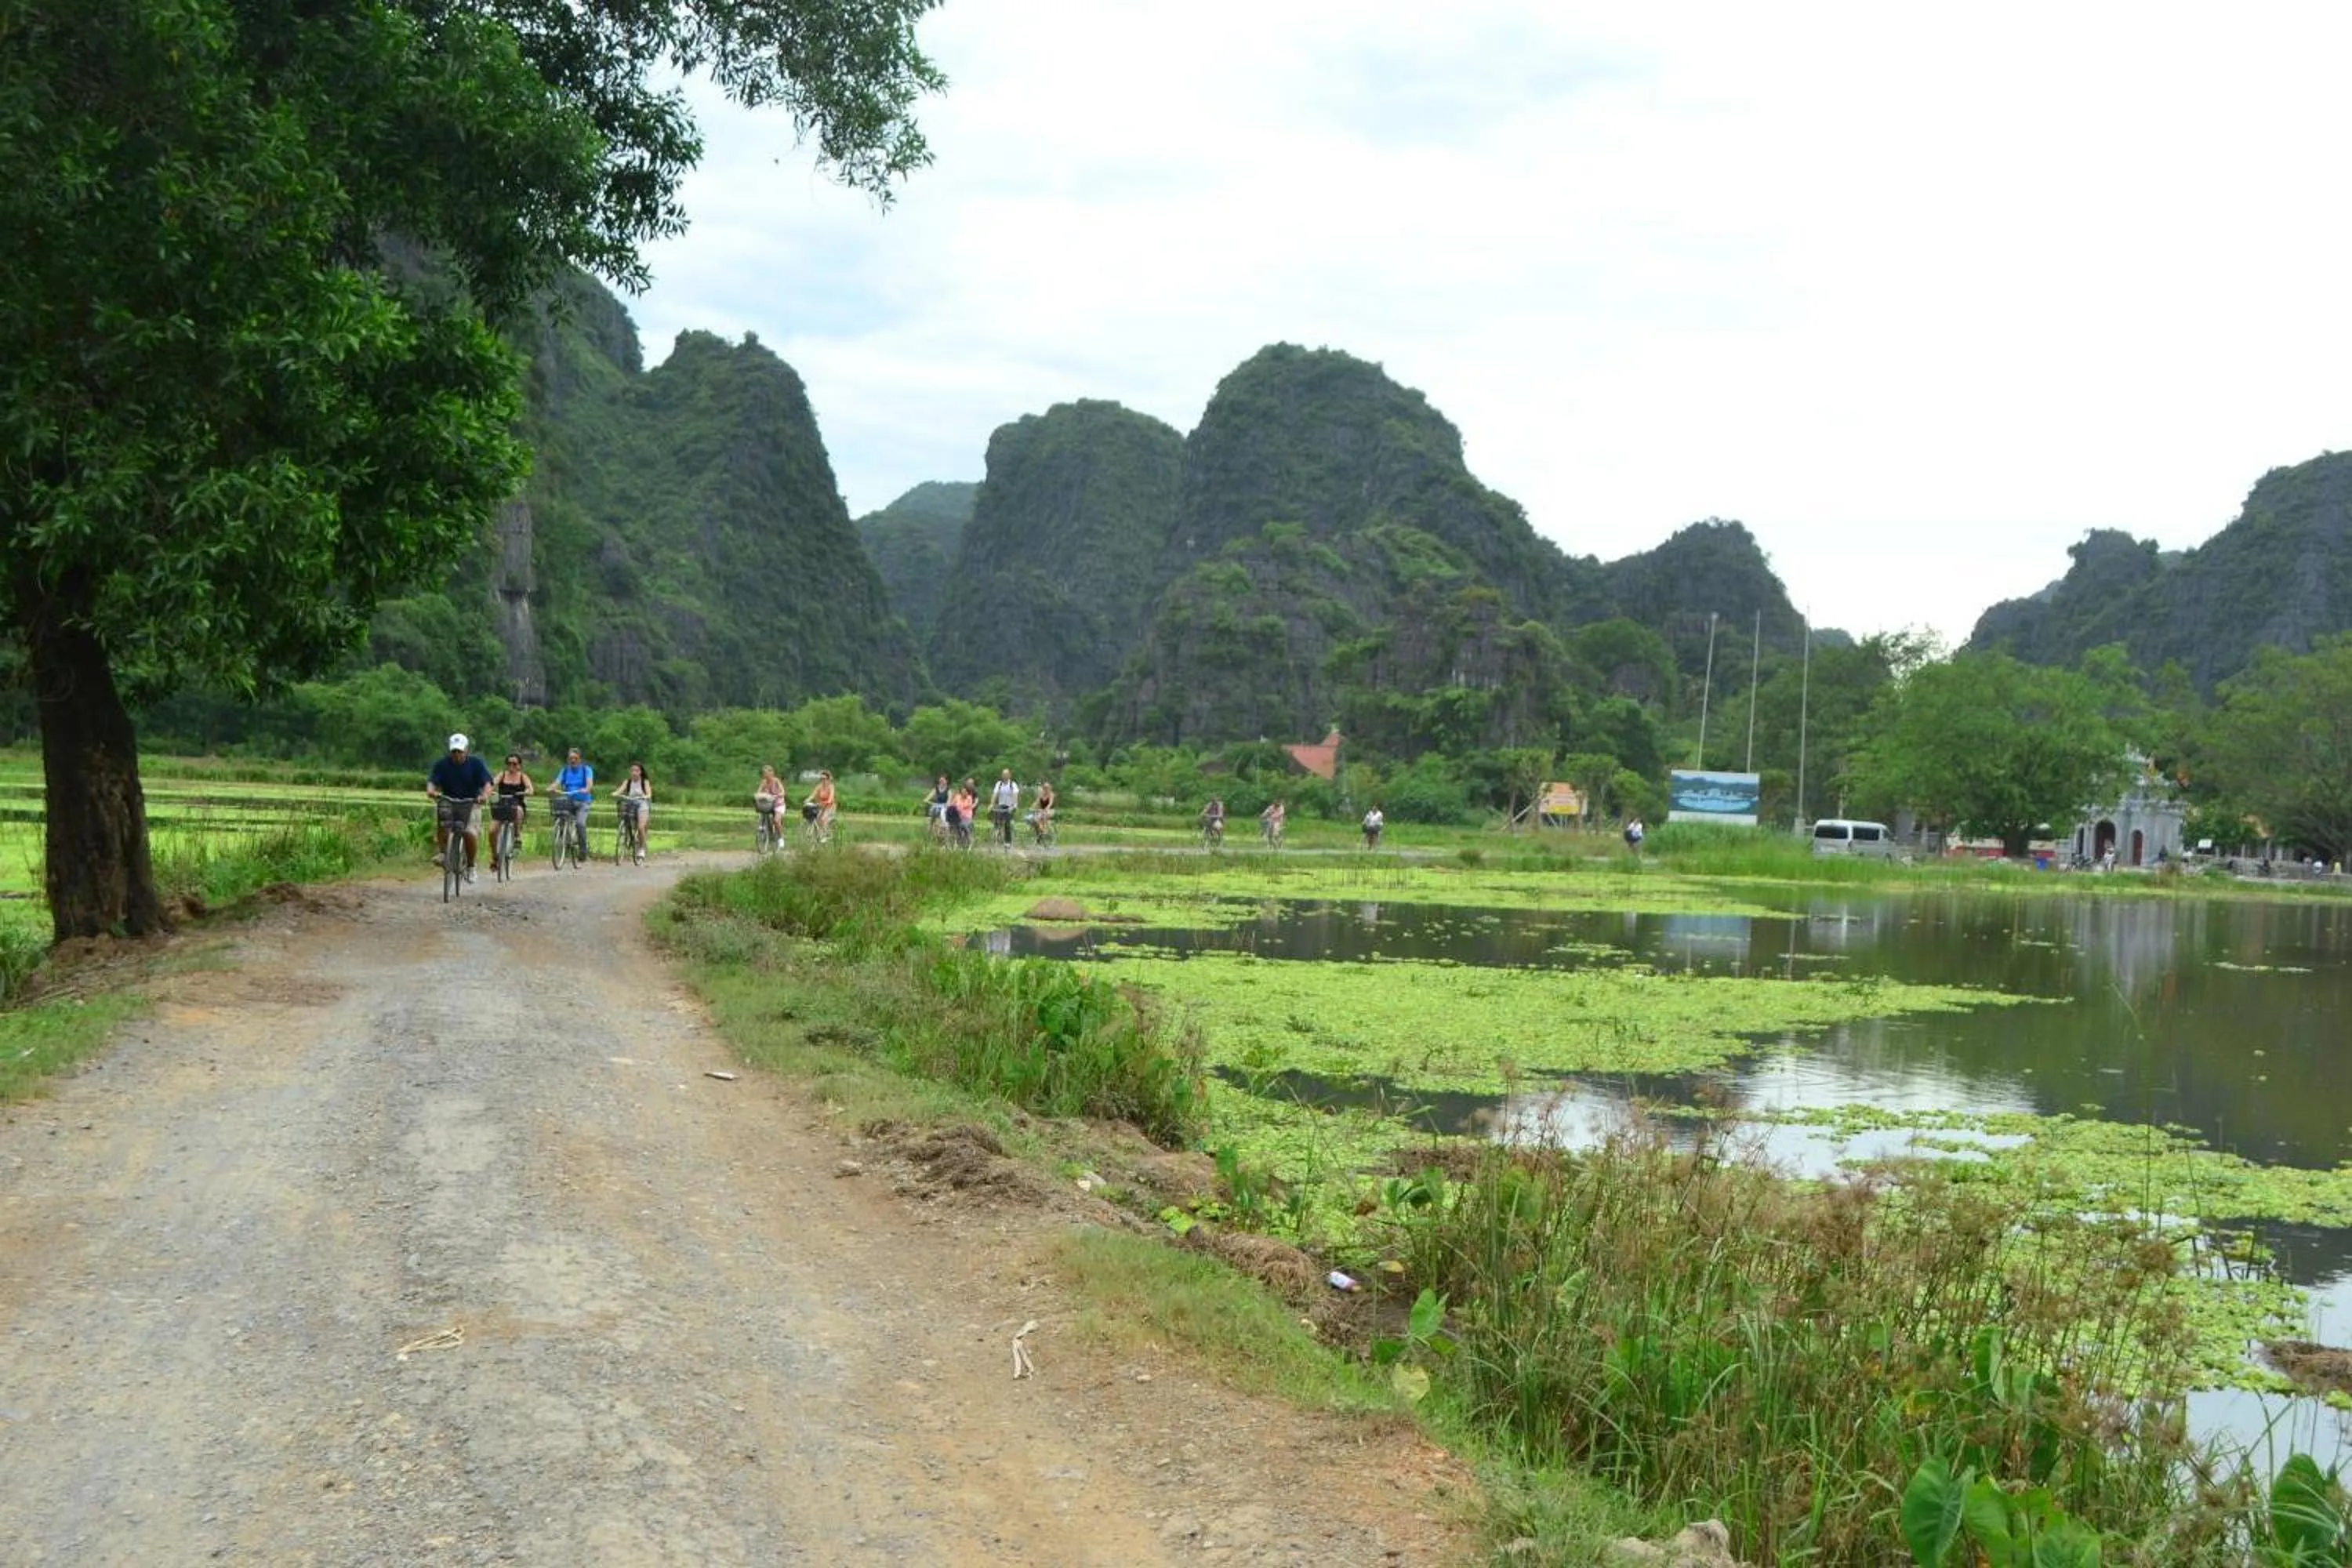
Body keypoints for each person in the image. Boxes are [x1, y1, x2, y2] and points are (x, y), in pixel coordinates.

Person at [426, 733, 493, 883]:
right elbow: (432, 780)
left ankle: (471, 866)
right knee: (443, 822)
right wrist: (431, 791)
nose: (457, 755)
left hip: (471, 802)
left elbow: (487, 784)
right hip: (449, 801)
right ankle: (443, 852)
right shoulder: (442, 764)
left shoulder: (476, 764)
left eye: (460, 751)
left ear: (466, 750)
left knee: (469, 832)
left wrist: (484, 796)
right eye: (454, 751)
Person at [489, 753, 534, 873]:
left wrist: (525, 792)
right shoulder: (502, 775)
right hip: (501, 806)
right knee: (492, 831)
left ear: (519, 765)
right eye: (509, 763)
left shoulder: (523, 777)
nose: (511, 766)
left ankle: (517, 836)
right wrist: (490, 792)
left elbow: (530, 789)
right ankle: (495, 856)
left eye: (514, 763)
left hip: (516, 805)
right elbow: (492, 785)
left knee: (518, 810)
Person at [551, 747, 593, 858]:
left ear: (580, 759)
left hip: (583, 802)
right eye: (571, 758)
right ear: (568, 759)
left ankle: (583, 851)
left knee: (580, 824)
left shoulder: (586, 770)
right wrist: (552, 788)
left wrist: (586, 789)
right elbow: (557, 781)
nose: (573, 760)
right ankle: (565, 840)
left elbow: (589, 784)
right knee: (559, 815)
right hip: (569, 800)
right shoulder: (565, 770)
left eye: (575, 758)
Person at [615, 761, 652, 864]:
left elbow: (649, 793)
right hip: (630, 803)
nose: (634, 773)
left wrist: (646, 796)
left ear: (640, 772)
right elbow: (620, 790)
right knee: (624, 816)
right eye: (632, 771)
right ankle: (626, 833)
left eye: (636, 771)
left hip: (642, 804)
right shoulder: (627, 782)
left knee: (641, 827)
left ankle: (641, 849)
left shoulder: (644, 781)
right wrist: (616, 793)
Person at [755, 764, 789, 845]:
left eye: (766, 773)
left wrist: (778, 795)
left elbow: (782, 791)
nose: (765, 775)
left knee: (776, 820)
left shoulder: (776, 781)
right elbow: (759, 791)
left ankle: (781, 838)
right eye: (764, 773)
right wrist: (759, 796)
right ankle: (764, 830)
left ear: (771, 773)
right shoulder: (764, 782)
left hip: (778, 803)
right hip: (769, 803)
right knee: (762, 812)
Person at [804, 770, 837, 844]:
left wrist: (829, 801)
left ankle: (826, 835)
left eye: (825, 779)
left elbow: (831, 797)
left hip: (830, 806)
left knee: (823, 819)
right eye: (821, 779)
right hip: (821, 806)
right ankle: (818, 835)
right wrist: (808, 800)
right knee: (817, 819)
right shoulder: (819, 786)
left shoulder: (831, 786)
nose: (823, 780)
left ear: (828, 779)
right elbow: (813, 794)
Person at [990, 768, 1020, 846]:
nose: (1005, 776)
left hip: (1010, 806)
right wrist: (991, 804)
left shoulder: (1013, 784)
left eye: (1006, 774)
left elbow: (1015, 795)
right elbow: (995, 794)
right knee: (996, 817)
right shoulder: (999, 784)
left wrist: (1013, 805)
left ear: (1009, 775)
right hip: (1001, 805)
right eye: (1003, 774)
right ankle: (997, 833)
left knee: (1007, 823)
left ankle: (1008, 841)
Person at [1029, 779, 1057, 844]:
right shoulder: (1041, 794)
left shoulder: (1051, 794)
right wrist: (1031, 807)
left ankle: (1045, 831)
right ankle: (1039, 834)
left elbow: (1050, 803)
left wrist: (1046, 809)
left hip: (1050, 810)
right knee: (1035, 819)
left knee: (1043, 817)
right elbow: (1037, 802)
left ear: (1050, 788)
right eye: (1044, 788)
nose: (1046, 789)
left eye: (1047, 788)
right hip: (1042, 811)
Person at [925, 775, 953, 841]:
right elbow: (929, 796)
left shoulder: (949, 790)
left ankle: (946, 835)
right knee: (931, 817)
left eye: (943, 781)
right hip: (936, 806)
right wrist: (927, 800)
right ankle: (929, 835)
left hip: (944, 807)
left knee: (943, 818)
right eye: (940, 781)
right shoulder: (936, 788)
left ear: (946, 781)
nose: (941, 782)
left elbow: (949, 800)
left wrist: (947, 804)